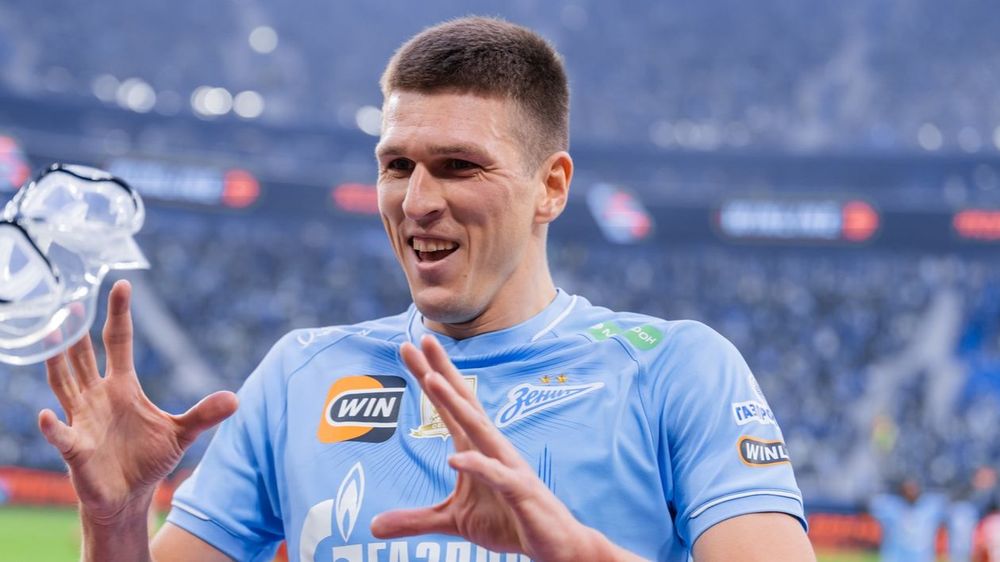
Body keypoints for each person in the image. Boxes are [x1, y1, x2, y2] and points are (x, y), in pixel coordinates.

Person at [38, 17, 816, 562]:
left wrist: (577, 552)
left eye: (458, 166)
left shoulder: (676, 370)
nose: (416, 202)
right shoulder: (299, 376)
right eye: (396, 165)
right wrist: (116, 520)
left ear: (551, 187)